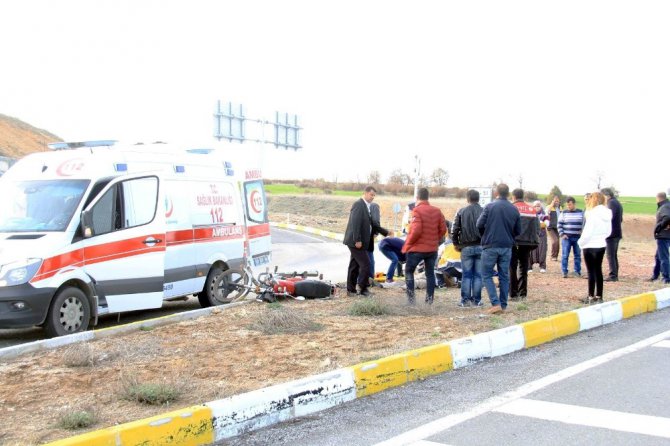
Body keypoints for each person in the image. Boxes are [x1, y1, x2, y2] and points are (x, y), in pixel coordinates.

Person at [476, 183, 521, 314]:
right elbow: (518, 230)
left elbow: (479, 224)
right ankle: (503, 304)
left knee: (486, 275)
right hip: (507, 246)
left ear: (496, 193)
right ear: (508, 194)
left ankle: (495, 304)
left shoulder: (490, 206)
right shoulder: (514, 209)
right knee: (504, 276)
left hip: (490, 245)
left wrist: (484, 235)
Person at [402, 187, 446, 305]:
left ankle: (411, 302)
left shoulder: (417, 211)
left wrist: (408, 245)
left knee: (409, 271)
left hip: (417, 249)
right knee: (430, 273)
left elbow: (415, 230)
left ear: (417, 198)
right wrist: (434, 239)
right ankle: (429, 301)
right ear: (428, 197)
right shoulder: (437, 211)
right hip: (432, 249)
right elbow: (443, 229)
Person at [343, 186, 390, 297]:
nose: (373, 197)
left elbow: (372, 224)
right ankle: (363, 289)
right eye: (371, 194)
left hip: (360, 242)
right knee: (366, 264)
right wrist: (357, 240)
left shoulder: (366, 206)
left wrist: (385, 232)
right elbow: (355, 223)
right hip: (355, 242)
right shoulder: (359, 204)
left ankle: (351, 290)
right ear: (365, 193)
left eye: (374, 195)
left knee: (354, 266)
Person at [577, 192, 612, 303]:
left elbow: (587, 232)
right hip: (601, 244)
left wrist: (581, 242)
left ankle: (591, 296)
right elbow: (608, 231)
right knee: (598, 270)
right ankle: (599, 296)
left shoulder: (592, 214)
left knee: (590, 271)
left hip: (589, 245)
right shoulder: (607, 213)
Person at [451, 189, 483, 307]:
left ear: (468, 198)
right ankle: (477, 300)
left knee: (466, 275)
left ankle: (465, 301)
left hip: (466, 247)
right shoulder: (484, 211)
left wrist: (456, 244)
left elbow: (454, 229)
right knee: (478, 275)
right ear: (478, 198)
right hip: (481, 246)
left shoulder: (461, 211)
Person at [509, 189, 540, 300]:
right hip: (527, 243)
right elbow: (537, 228)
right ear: (523, 196)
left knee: (512, 267)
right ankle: (523, 294)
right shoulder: (532, 209)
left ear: (513, 197)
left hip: (513, 242)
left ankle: (513, 293)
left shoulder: (511, 208)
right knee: (523, 268)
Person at [557, 196, 584, 279]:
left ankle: (577, 271)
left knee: (577, 255)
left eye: (570, 205)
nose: (568, 206)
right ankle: (564, 271)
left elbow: (584, 224)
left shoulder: (581, 212)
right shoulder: (563, 213)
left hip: (577, 237)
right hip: (566, 238)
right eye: (567, 205)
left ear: (574, 204)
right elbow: (559, 224)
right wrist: (562, 234)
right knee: (565, 255)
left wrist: (582, 232)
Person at [601, 188, 623, 282]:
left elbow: (609, 217)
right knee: (613, 255)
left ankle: (613, 275)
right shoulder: (617, 202)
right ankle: (614, 273)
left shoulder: (611, 203)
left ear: (607, 195)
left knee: (610, 255)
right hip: (616, 232)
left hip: (612, 233)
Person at [528, 200, 550, 273]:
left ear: (541, 206)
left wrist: (536, 224)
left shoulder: (545, 214)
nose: (537, 207)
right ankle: (529, 267)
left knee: (542, 250)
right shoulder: (530, 214)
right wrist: (540, 223)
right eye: (535, 206)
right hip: (532, 235)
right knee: (530, 251)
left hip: (542, 235)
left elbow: (546, 224)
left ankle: (542, 266)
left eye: (538, 206)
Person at [654, 191, 670, 284]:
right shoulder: (667, 205)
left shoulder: (664, 206)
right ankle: (655, 275)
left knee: (664, 257)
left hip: (664, 235)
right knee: (658, 256)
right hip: (665, 234)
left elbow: (667, 217)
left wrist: (660, 226)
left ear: (659, 198)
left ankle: (666, 278)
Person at [367, 202, 381, 285]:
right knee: (370, 259)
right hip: (369, 237)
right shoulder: (375, 206)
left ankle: (361, 278)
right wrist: (376, 233)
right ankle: (370, 279)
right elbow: (376, 220)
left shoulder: (366, 208)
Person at [546, 196, 562, 261]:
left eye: (557, 201)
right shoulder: (549, 207)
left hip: (557, 227)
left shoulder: (560, 208)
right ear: (552, 201)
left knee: (557, 242)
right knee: (555, 241)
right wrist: (551, 205)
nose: (556, 202)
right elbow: (546, 212)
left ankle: (555, 256)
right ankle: (553, 256)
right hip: (550, 227)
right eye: (555, 201)